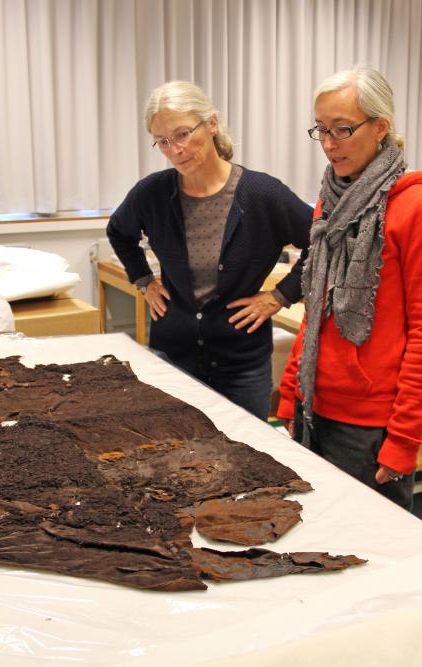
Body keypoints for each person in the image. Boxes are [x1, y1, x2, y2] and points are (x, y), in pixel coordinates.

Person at [277, 66, 422, 510]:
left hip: (370, 426)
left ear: (381, 127)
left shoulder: (418, 208)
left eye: (343, 129)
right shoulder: (328, 200)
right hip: (314, 406)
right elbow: (316, 308)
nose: (330, 144)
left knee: (372, 556)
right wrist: (291, 390)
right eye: (322, 130)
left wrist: (405, 438)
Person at [107, 81, 312, 421]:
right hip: (172, 359)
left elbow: (323, 243)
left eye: (183, 134)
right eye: (162, 141)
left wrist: (280, 295)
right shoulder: (152, 193)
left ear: (212, 124)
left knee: (248, 459)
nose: (174, 149)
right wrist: (143, 280)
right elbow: (119, 232)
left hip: (241, 365)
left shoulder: (262, 194)